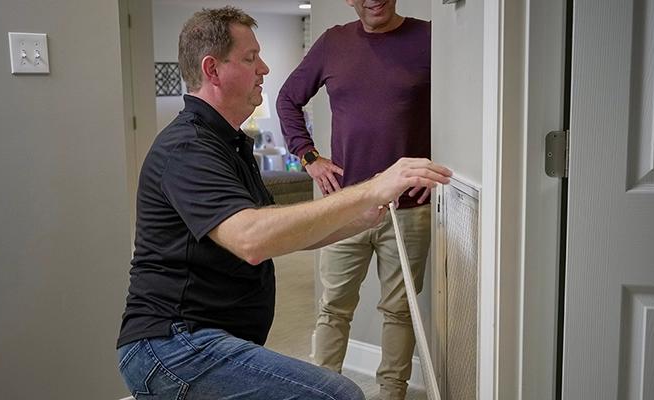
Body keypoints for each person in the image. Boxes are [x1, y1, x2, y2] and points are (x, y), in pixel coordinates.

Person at [116, 7, 451, 400]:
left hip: (207, 339)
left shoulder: (230, 144)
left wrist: (360, 220)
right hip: (172, 346)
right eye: (250, 57)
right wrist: (373, 187)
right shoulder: (189, 148)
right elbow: (252, 240)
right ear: (212, 70)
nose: (265, 68)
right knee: (339, 394)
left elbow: (280, 233)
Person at [274, 0, 432, 398]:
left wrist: (439, 166)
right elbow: (287, 99)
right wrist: (309, 157)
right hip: (345, 206)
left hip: (408, 209)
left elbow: (466, 105)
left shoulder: (428, 37)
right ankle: (320, 392)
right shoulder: (333, 43)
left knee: (399, 311)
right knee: (333, 309)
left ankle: (392, 393)